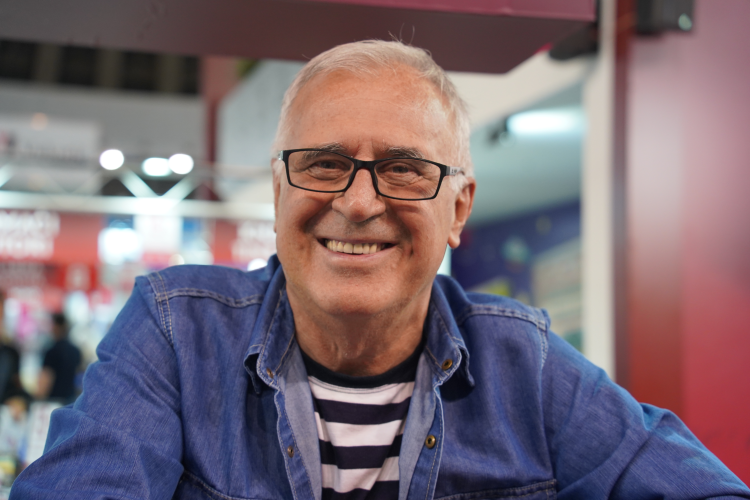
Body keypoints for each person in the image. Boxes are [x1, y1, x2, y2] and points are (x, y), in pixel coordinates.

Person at [10, 41, 750, 499]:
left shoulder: (524, 363)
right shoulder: (176, 332)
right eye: (323, 163)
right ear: (279, 192)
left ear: (458, 209)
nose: (359, 203)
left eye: (404, 169)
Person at [36, 313, 81, 405]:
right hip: (71, 401)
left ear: (56, 327)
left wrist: (37, 399)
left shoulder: (52, 351)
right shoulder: (76, 351)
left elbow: (46, 379)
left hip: (53, 401)